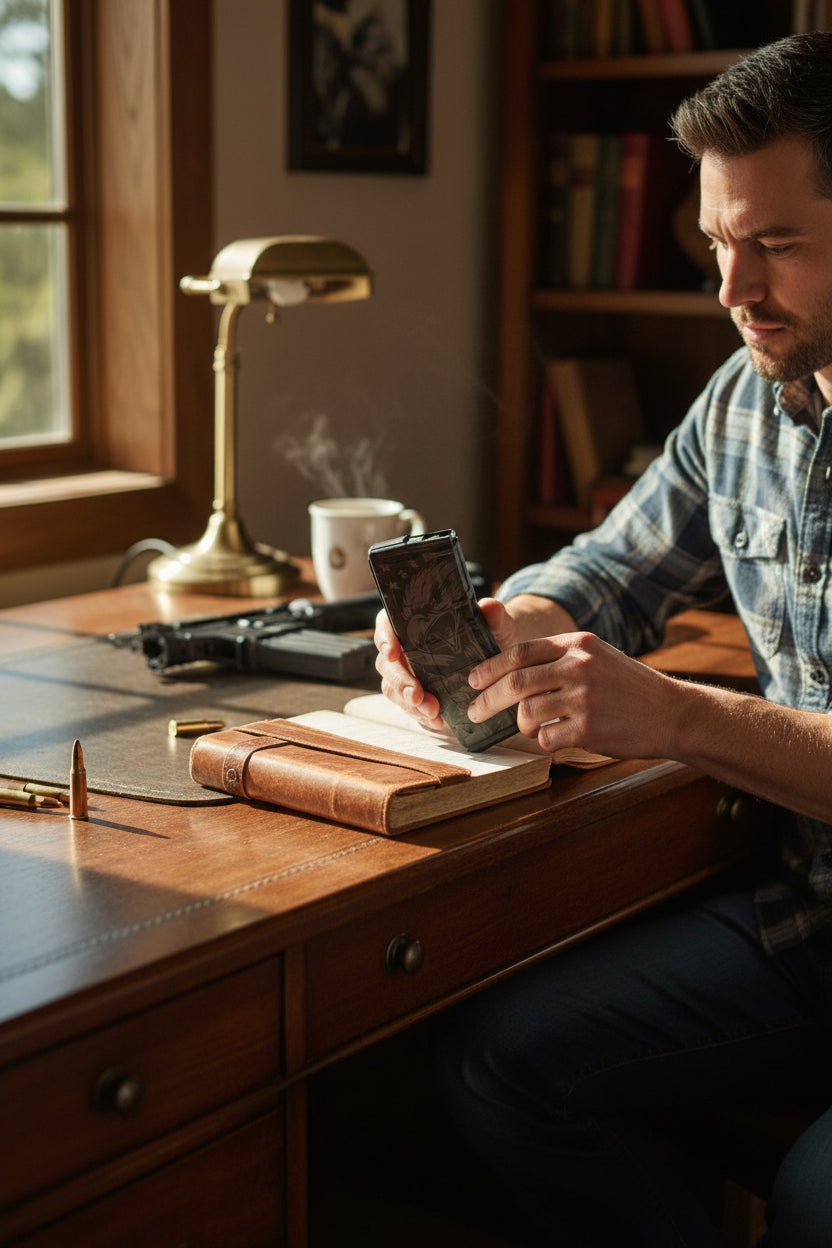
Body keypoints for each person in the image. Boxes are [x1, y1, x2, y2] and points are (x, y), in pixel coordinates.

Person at [374, 32, 832, 1247]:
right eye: (718, 242)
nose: (732, 288)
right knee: (497, 1063)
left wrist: (676, 715)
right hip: (810, 928)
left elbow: (677, 706)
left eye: (776, 244)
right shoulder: (743, 398)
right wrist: (501, 630)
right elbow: (607, 572)